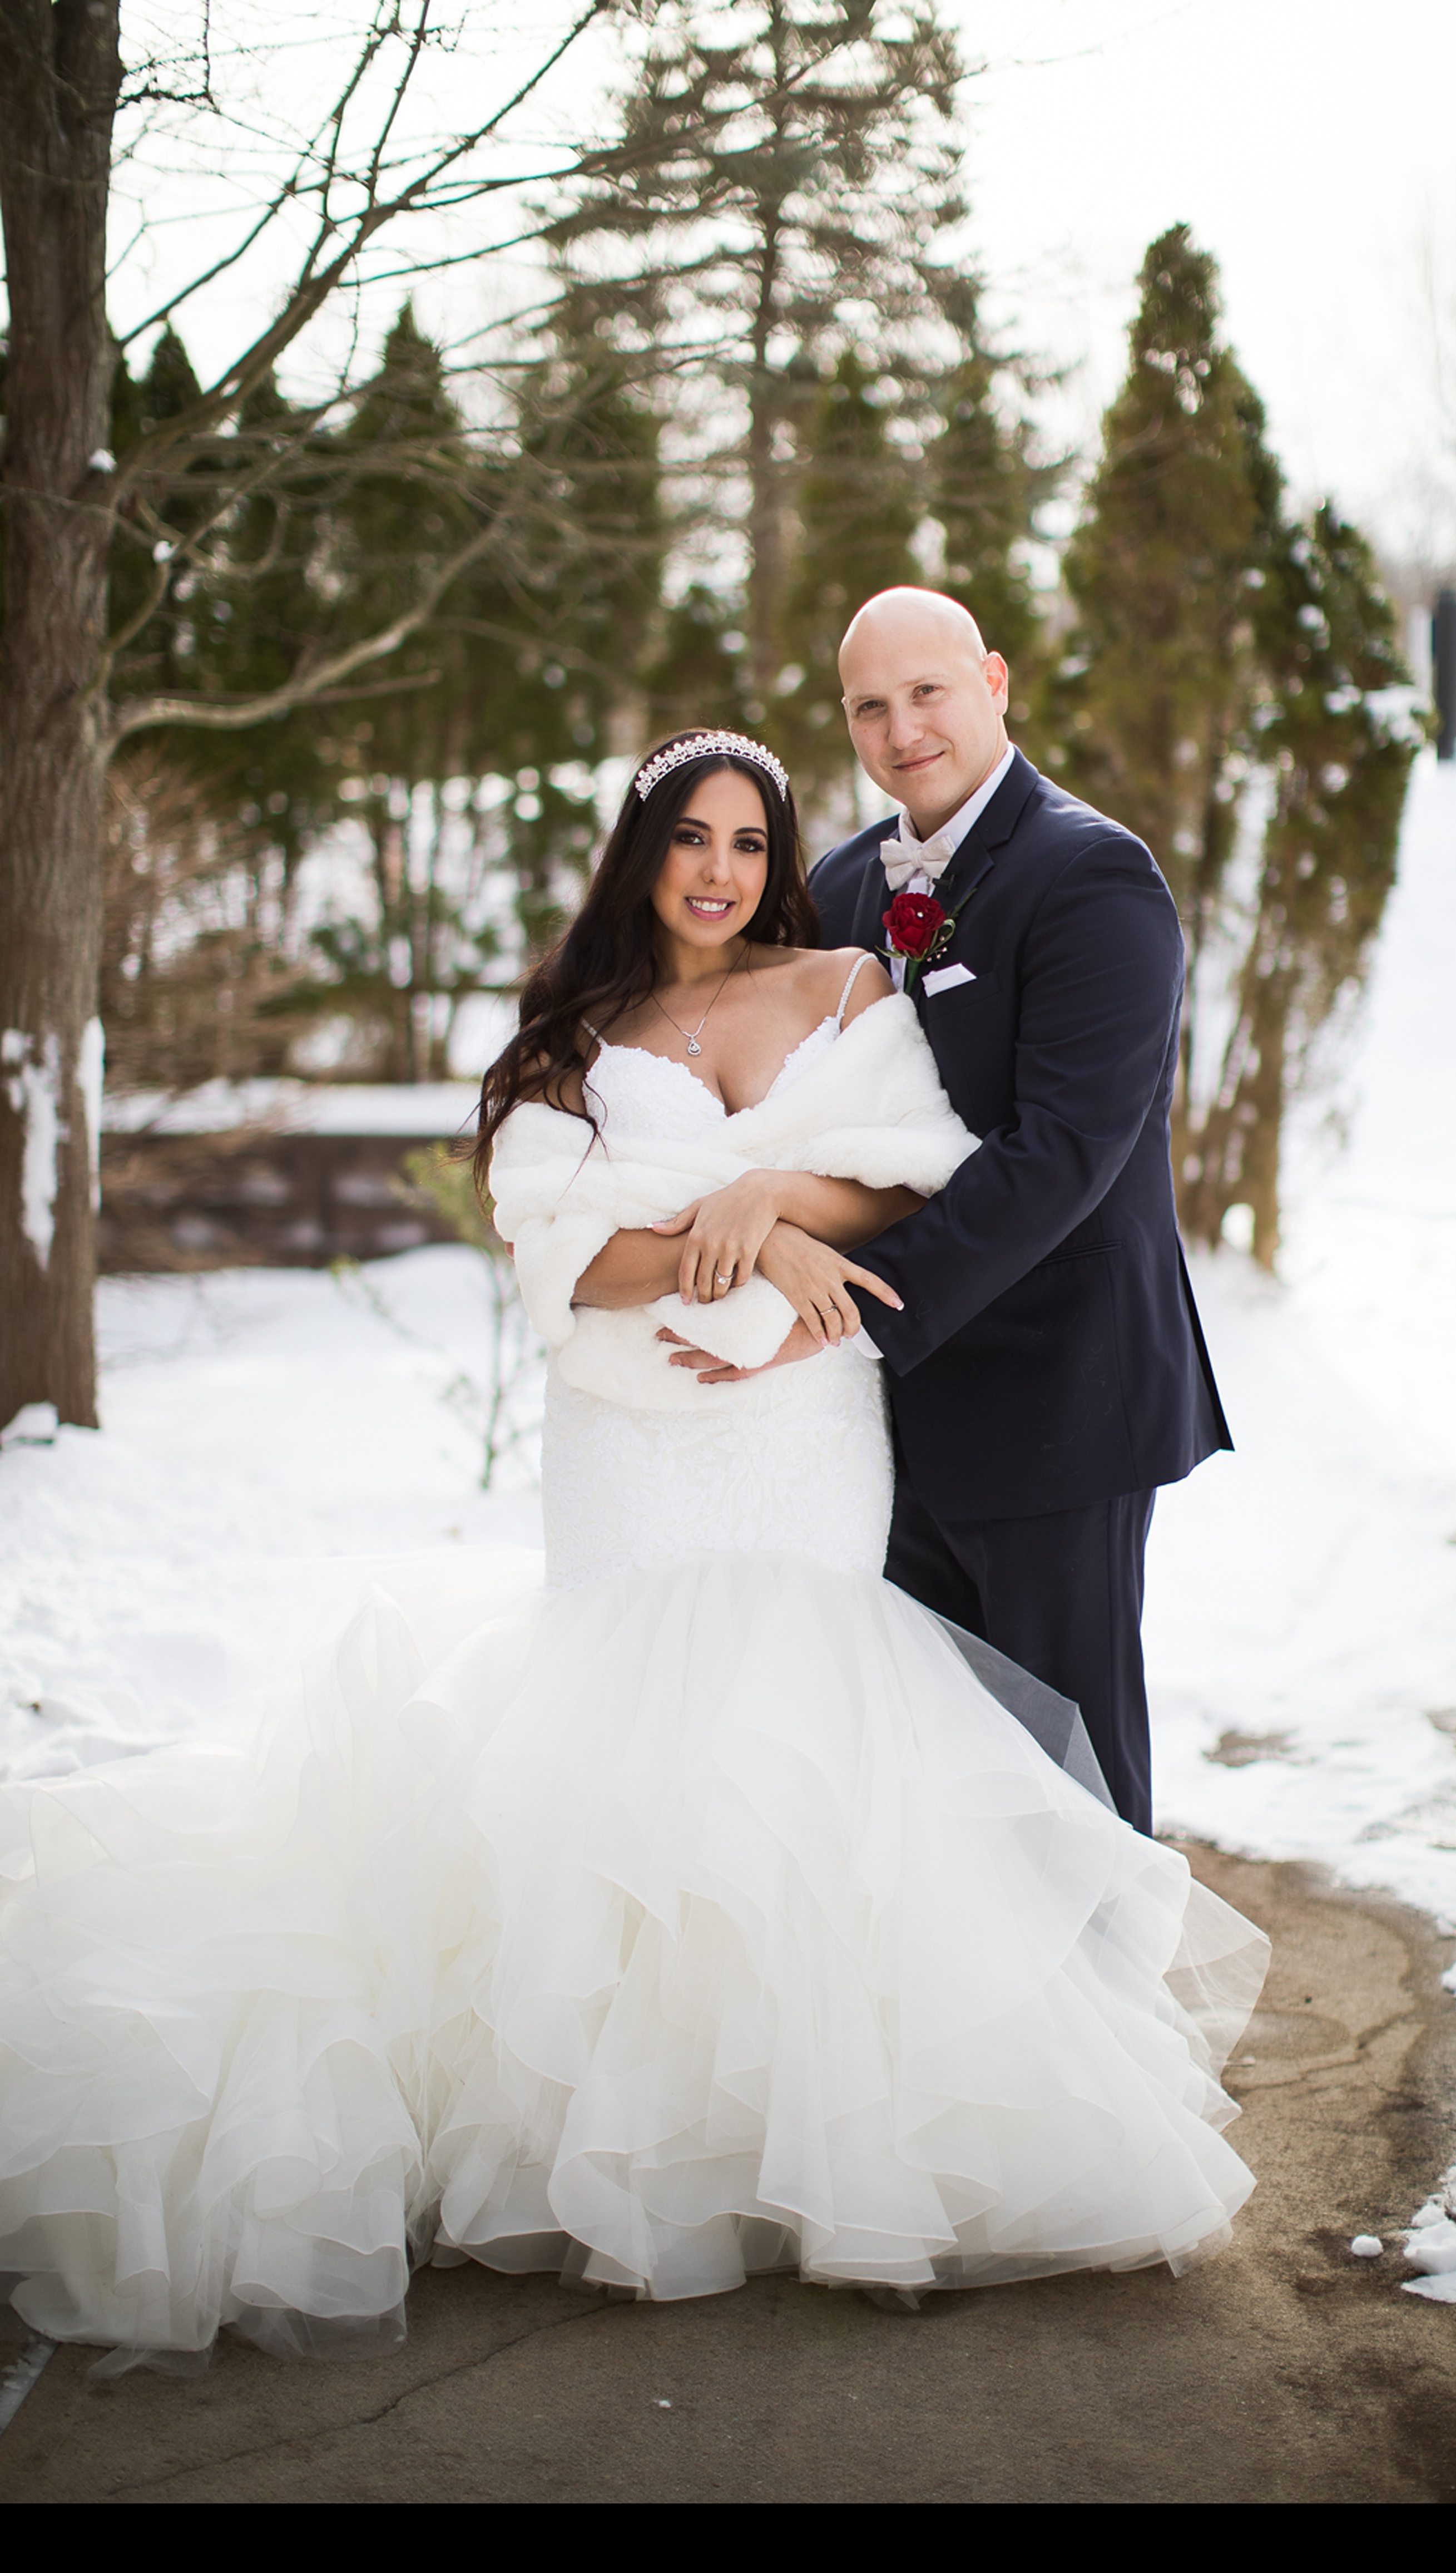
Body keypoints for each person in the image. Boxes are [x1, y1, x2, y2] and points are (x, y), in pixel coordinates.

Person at [0, 730, 1264, 2365]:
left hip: (804, 1436)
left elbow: (923, 1180)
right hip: (631, 1448)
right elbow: (560, 1249)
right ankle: (623, 2144)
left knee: (803, 1750)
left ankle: (815, 2148)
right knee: (623, 1753)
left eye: (749, 839)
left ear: (781, 857)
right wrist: (691, 1243)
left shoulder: (844, 991)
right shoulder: (573, 1040)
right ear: (641, 854)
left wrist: (782, 1194)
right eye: (690, 838)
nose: (722, 870)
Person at [806, 589, 1233, 1836]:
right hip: (884, 1419)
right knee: (932, 1775)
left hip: (1058, 1400)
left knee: (1068, 1777)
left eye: (927, 692)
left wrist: (851, 1309)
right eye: (869, 707)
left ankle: (1105, 2030)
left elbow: (1062, 1153)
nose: (902, 729)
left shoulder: (1093, 874)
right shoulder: (838, 888)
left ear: (994, 681)